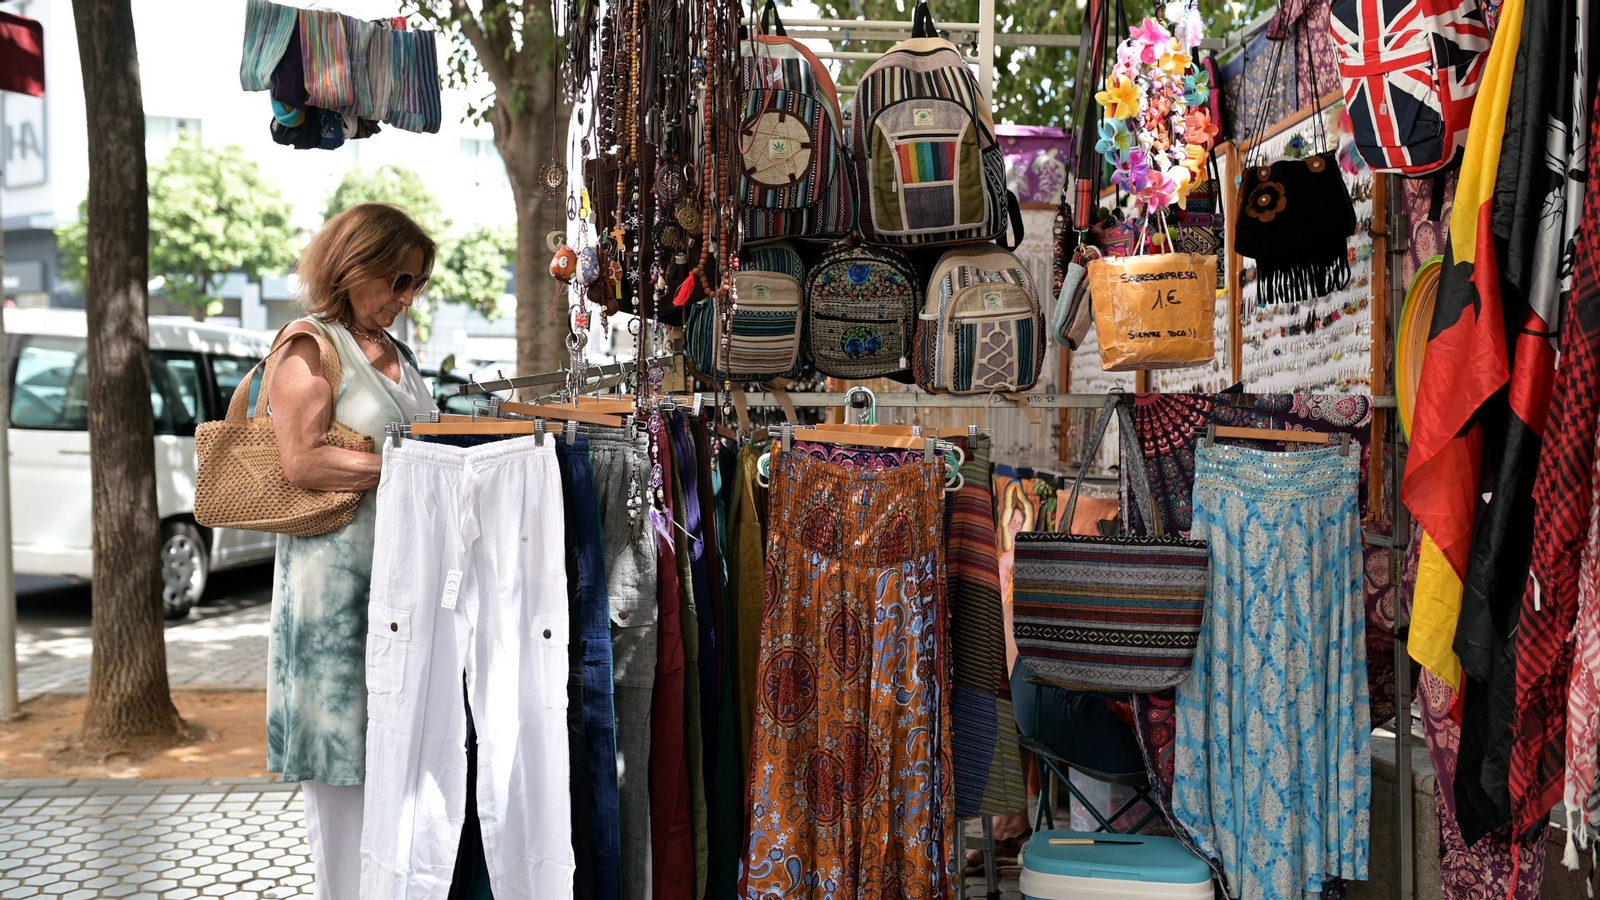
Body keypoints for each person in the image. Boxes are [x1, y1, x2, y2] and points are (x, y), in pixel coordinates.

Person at [264, 202, 439, 899]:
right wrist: (413, 467)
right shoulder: (310, 346)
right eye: (398, 279)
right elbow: (301, 463)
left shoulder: (400, 352)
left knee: (399, 774)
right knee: (344, 785)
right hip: (333, 594)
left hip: (401, 586)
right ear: (353, 264)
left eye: (418, 283)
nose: (406, 297)